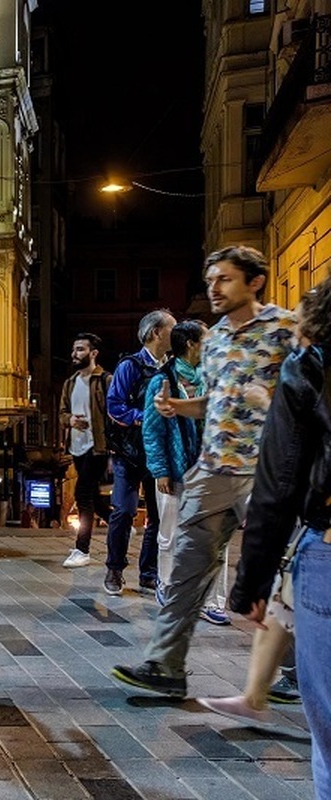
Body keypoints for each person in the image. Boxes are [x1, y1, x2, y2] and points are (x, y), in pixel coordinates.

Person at [112, 245, 299, 698]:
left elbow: (310, 397)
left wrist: (269, 402)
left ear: (254, 282)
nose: (213, 288)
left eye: (224, 279)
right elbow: (216, 403)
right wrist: (178, 407)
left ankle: (294, 671)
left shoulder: (284, 329)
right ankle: (165, 665)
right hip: (212, 469)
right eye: (210, 279)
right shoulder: (213, 341)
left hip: (267, 473)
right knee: (184, 569)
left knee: (283, 572)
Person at [195, 281, 331, 739]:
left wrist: (249, 580)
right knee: (285, 596)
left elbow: (283, 477)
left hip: (324, 536)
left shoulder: (308, 366)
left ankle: (259, 692)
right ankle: (255, 693)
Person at [142, 319, 230, 625]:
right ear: (191, 344)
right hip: (176, 472)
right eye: (205, 339)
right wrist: (160, 470)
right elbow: (152, 432)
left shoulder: (214, 376)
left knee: (216, 537)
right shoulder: (162, 379)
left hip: (212, 472)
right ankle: (167, 587)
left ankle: (213, 601)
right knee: (170, 535)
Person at [103, 309, 176, 595]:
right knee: (124, 510)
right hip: (129, 451)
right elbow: (114, 406)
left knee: (157, 517)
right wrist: (147, 416)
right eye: (172, 328)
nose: (177, 333)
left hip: (158, 453)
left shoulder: (171, 366)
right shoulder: (130, 366)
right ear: (156, 332)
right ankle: (114, 569)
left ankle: (148, 572)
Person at [59, 333, 111, 568]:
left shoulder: (105, 380)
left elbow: (113, 414)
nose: (74, 354)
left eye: (80, 349)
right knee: (94, 497)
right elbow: (61, 413)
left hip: (97, 447)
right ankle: (121, 525)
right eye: (74, 349)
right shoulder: (70, 383)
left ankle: (82, 550)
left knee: (82, 495)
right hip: (76, 447)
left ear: (93, 353)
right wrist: (70, 421)